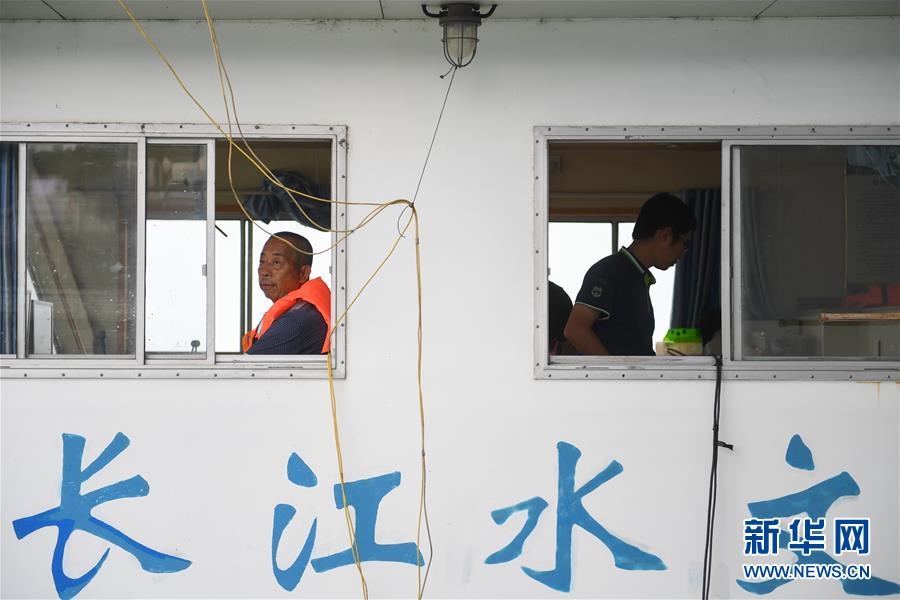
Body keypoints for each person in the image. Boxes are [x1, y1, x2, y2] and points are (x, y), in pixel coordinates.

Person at [564, 193, 696, 356]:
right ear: (665, 235)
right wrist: (615, 370)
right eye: (685, 244)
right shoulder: (610, 271)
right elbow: (575, 330)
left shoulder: (638, 277)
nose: (682, 254)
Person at [241, 232, 331, 355]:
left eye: (276, 262)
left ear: (303, 273)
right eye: (262, 261)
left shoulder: (294, 321)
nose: (264, 271)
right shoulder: (305, 311)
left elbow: (246, 366)